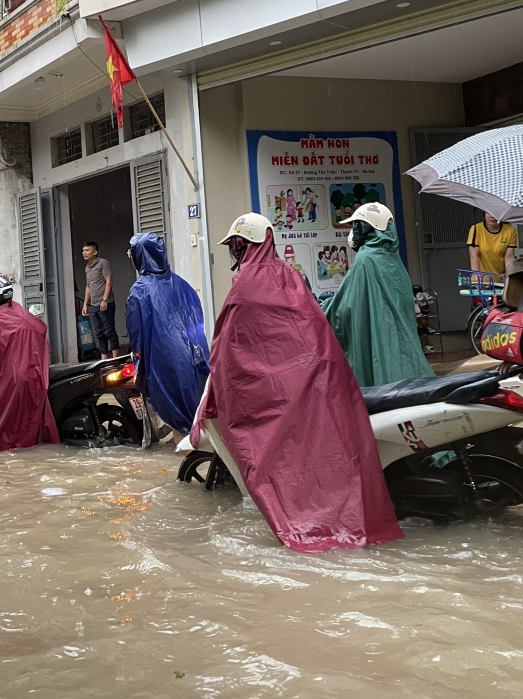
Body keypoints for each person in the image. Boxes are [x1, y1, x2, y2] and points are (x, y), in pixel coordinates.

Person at [191, 213, 402, 552]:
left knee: (270, 454)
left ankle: (306, 519)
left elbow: (230, 346)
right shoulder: (290, 274)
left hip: (275, 391)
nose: (234, 252)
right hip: (318, 379)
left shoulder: (245, 284)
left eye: (235, 246)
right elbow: (313, 328)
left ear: (243, 246)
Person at [322, 203, 434, 387]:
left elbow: (344, 307)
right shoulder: (392, 258)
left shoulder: (365, 260)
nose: (353, 230)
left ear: (366, 227)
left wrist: (320, 308)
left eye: (356, 225)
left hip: (380, 352)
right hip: (404, 353)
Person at [125, 232, 209, 439]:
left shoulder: (140, 291)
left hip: (164, 361)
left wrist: (139, 362)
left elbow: (137, 334)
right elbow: (198, 321)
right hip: (196, 358)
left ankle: (181, 465)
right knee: (195, 416)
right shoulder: (183, 285)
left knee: (177, 419)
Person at [0, 276, 60, 452]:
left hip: (13, 379)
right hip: (34, 376)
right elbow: (41, 329)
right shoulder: (21, 313)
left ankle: (11, 444)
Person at [81, 242, 120, 359]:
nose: (84, 253)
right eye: (83, 250)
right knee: (99, 332)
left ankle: (115, 359)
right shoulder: (87, 268)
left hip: (106, 304)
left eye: (87, 250)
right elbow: (88, 286)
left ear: (95, 252)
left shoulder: (103, 263)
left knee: (109, 331)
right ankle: (104, 360)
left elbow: (109, 281)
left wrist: (105, 300)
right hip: (94, 305)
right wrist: (85, 304)